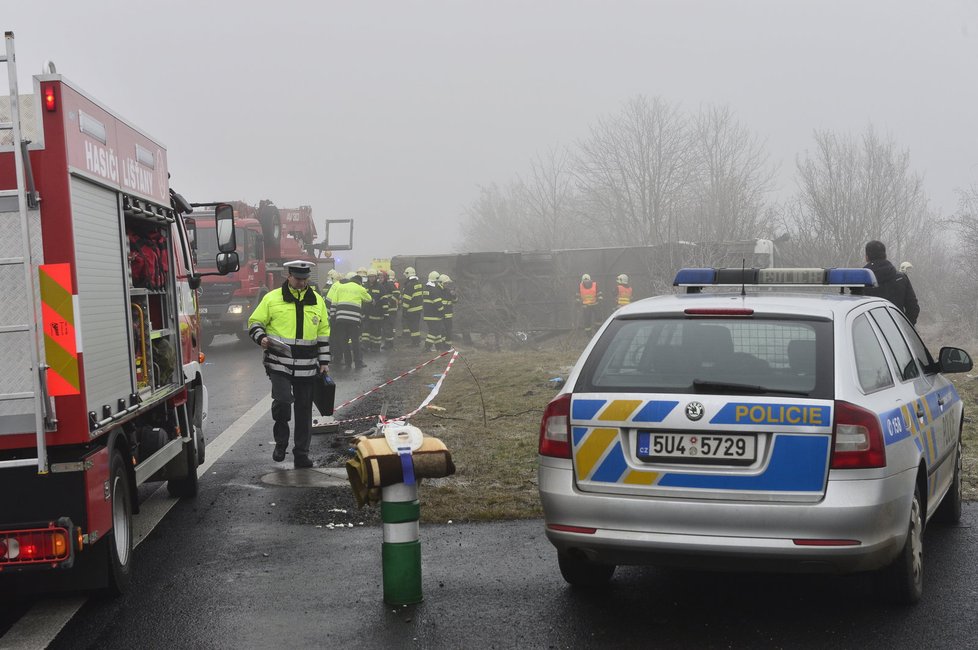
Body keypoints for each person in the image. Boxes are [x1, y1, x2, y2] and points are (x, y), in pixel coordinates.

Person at [248, 260, 330, 468]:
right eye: (298, 279)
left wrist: (324, 362)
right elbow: (255, 322)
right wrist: (261, 338)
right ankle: (281, 443)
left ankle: (301, 454)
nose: (302, 283)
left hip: (307, 365)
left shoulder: (317, 301)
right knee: (283, 403)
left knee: (304, 411)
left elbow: (323, 332)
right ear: (288, 276)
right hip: (278, 363)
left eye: (305, 279)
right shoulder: (272, 298)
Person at [863, 240, 920, 325]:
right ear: (885, 255)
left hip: (868, 332)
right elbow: (913, 308)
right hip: (896, 332)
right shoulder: (901, 278)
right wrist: (904, 328)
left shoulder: (860, 281)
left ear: (867, 257)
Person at [326, 271, 372, 369]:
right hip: (354, 320)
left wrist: (333, 318)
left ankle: (348, 363)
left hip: (340, 319)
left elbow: (334, 304)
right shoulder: (360, 288)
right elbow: (369, 299)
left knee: (344, 341)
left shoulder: (340, 287)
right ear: (359, 282)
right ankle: (358, 363)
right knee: (355, 341)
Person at [400, 266, 424, 347]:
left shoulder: (409, 285)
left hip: (411, 310)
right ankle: (417, 340)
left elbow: (407, 299)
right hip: (419, 309)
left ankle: (415, 343)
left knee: (413, 327)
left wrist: (404, 310)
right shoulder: (419, 283)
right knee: (416, 326)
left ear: (407, 274)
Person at [422, 270, 444, 352]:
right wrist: (442, 312)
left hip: (428, 314)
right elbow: (438, 303)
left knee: (437, 331)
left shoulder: (426, 288)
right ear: (436, 280)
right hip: (434, 315)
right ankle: (427, 347)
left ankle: (439, 347)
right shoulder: (434, 290)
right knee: (433, 331)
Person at [379, 269, 398, 350]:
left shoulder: (389, 284)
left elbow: (397, 293)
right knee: (386, 327)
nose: (380, 278)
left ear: (385, 277)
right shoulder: (381, 285)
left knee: (388, 327)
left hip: (391, 310)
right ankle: (388, 343)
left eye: (381, 276)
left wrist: (390, 301)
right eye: (379, 276)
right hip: (385, 310)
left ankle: (389, 344)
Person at [438, 274, 457, 349]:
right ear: (441, 283)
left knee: (449, 331)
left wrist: (454, 295)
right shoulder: (437, 291)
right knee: (442, 331)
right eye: (446, 283)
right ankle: (442, 346)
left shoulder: (449, 291)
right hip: (441, 315)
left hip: (448, 315)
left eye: (448, 283)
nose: (447, 285)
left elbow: (455, 301)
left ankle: (448, 347)